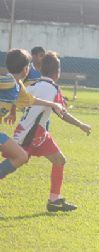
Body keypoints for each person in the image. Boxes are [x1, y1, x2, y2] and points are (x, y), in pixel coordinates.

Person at [13, 51, 92, 212]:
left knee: (59, 160)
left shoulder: (32, 86)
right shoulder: (53, 88)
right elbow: (62, 114)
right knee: (13, 163)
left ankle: (54, 200)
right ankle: (54, 199)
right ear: (57, 72)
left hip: (34, 132)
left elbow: (22, 105)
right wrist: (81, 125)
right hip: (31, 135)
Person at [0, 49, 64, 179]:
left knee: (21, 156)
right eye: (29, 66)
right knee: (21, 156)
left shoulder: (18, 86)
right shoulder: (8, 81)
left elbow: (31, 100)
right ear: (25, 69)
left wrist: (53, 104)